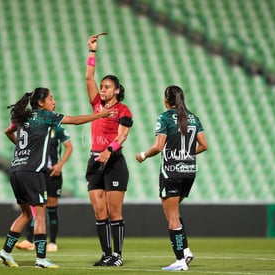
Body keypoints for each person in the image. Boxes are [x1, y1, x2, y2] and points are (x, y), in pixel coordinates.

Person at [0, 87, 114, 268]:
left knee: (26, 214)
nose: (54, 101)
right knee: (40, 216)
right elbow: (75, 120)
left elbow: (8, 131)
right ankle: (41, 259)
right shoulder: (45, 116)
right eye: (51, 98)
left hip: (16, 170)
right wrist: (100, 115)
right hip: (33, 172)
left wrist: (23, 149)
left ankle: (5, 253)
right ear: (41, 103)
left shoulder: (22, 117)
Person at [135, 85, 208, 271]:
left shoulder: (165, 117)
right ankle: (186, 251)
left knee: (172, 216)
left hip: (171, 171)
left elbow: (158, 147)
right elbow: (204, 145)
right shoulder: (193, 117)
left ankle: (180, 260)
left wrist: (143, 155)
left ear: (166, 99)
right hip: (189, 171)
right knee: (172, 212)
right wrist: (186, 155)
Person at [85, 34, 133, 266]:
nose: (102, 89)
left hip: (114, 163)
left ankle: (118, 256)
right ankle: (106, 254)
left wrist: (109, 150)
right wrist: (92, 52)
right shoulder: (96, 105)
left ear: (116, 91)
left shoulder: (123, 109)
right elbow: (88, 77)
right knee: (98, 212)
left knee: (115, 212)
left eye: (107, 87)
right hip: (94, 161)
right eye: (101, 86)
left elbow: (123, 135)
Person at [14, 124, 73, 252]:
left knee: (51, 207)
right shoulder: (35, 128)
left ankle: (52, 242)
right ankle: (29, 240)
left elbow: (69, 147)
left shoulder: (57, 129)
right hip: (37, 172)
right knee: (34, 206)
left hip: (52, 173)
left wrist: (60, 165)